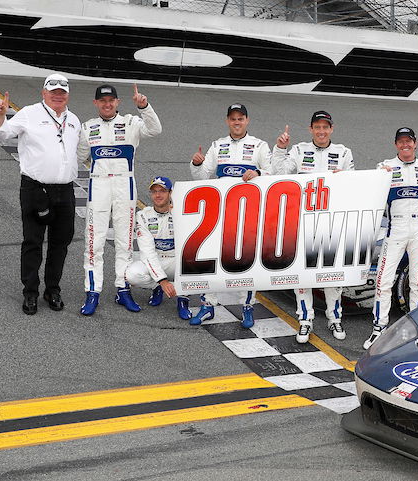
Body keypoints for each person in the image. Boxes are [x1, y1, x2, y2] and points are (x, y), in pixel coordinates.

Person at [0, 74, 81, 315]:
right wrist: (0, 114)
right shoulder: (29, 113)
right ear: (44, 92)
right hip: (35, 188)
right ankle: (30, 292)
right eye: (53, 91)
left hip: (65, 190)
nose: (57, 95)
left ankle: (53, 289)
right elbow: (1, 134)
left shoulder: (74, 120)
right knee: (33, 241)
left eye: (62, 91)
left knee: (61, 243)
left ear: (68, 95)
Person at [77, 83, 162, 316]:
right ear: (96, 103)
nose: (107, 104)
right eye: (102, 100)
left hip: (126, 185)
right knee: (94, 242)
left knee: (125, 241)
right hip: (99, 186)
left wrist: (144, 107)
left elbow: (155, 130)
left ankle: (122, 289)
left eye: (111, 100)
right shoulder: (87, 128)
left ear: (117, 102)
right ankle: (92, 291)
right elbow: (76, 157)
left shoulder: (131, 122)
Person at [270, 110, 355, 343]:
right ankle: (305, 320)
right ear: (310, 130)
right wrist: (279, 148)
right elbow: (277, 173)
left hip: (331, 222)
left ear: (332, 129)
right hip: (303, 221)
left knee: (331, 276)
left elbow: (357, 186)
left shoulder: (343, 152)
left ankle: (334, 318)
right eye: (317, 127)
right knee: (303, 275)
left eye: (325, 127)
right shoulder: (298, 150)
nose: (321, 131)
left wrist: (345, 179)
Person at [188, 103, 271, 328]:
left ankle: (247, 306)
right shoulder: (218, 145)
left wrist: (259, 173)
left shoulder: (259, 146)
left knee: (246, 259)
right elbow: (202, 176)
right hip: (221, 212)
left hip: (248, 212)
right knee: (212, 257)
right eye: (233, 118)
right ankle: (207, 304)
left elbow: (274, 173)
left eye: (241, 118)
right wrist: (196, 163)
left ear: (247, 120)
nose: (237, 122)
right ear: (227, 121)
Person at [368, 127, 418, 349]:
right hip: (395, 228)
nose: (405, 144)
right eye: (401, 141)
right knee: (383, 280)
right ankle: (379, 326)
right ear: (396, 144)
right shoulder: (385, 166)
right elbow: (364, 185)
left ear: (415, 143)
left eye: (409, 141)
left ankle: (416, 328)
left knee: (417, 282)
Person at [123, 177, 194, 322]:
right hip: (156, 259)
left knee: (195, 265)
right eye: (154, 191)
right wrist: (162, 281)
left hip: (177, 260)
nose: (158, 195)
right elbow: (147, 252)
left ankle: (183, 298)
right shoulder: (143, 216)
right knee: (132, 275)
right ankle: (157, 287)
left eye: (162, 191)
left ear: (170, 193)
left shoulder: (182, 213)